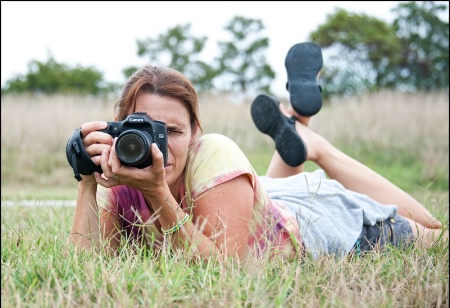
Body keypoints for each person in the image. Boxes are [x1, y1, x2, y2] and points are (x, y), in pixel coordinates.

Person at [68, 42, 447, 263]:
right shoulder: (119, 174)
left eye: (172, 132)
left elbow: (223, 272)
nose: (153, 145)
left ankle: (316, 147)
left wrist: (156, 192)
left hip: (316, 220)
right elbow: (89, 266)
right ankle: (297, 123)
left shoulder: (213, 151)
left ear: (196, 133)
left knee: (437, 234)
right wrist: (87, 182)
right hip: (252, 204)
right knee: (264, 198)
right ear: (116, 130)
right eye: (139, 130)